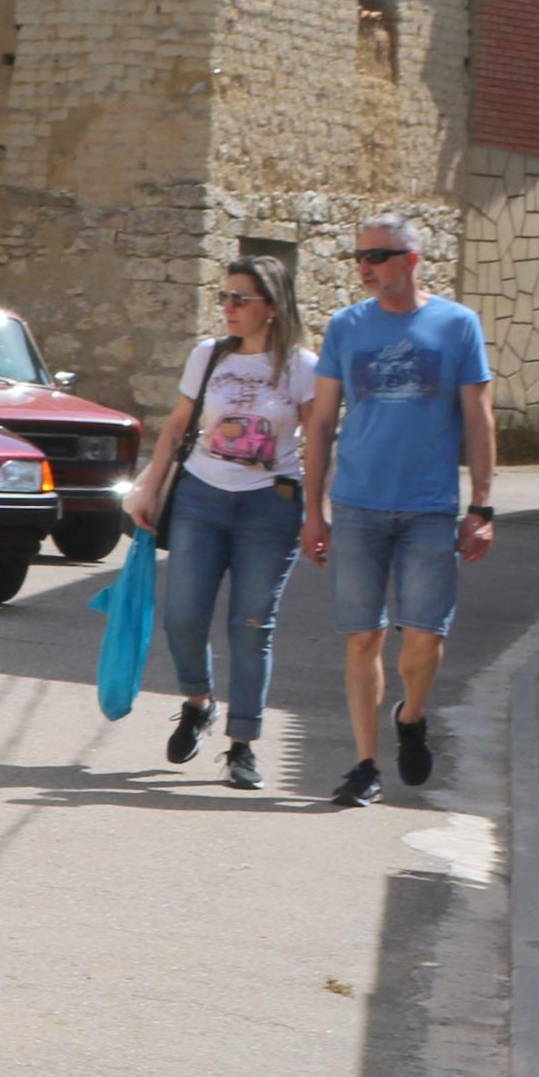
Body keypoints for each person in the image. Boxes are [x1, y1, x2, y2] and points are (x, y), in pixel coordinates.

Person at [301, 218, 496, 809]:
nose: (365, 266)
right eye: (360, 256)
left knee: (423, 637)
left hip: (429, 509)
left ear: (412, 260)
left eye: (378, 256)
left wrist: (482, 505)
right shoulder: (345, 326)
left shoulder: (457, 325)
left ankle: (411, 716)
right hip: (357, 505)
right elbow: (321, 423)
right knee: (363, 636)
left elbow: (478, 419)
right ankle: (365, 764)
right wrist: (313, 511)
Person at [122, 259, 315, 791]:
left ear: (271, 307)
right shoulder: (208, 356)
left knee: (251, 627)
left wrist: (320, 510)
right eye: (224, 297)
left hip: (269, 506)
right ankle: (198, 702)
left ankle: (242, 746)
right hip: (202, 498)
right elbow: (177, 428)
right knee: (183, 615)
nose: (227, 307)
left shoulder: (302, 367)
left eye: (240, 299)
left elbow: (320, 443)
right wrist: (152, 489)